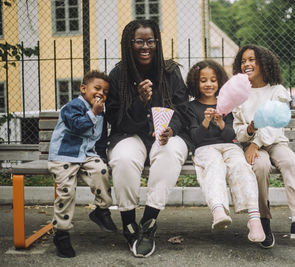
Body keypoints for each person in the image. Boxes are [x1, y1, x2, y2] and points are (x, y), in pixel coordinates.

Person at [104, 20, 190, 258]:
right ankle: (129, 223)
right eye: (139, 41)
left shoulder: (170, 72)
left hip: (165, 135)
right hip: (130, 133)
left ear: (157, 43)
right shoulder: (119, 74)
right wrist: (139, 102)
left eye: (150, 41)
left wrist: (171, 129)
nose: (145, 46)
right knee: (123, 159)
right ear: (129, 44)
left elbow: (183, 110)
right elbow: (115, 118)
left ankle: (149, 221)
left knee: (170, 152)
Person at [232, 45, 295, 249]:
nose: (247, 64)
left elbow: (274, 123)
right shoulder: (239, 94)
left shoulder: (277, 90)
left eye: (252, 59)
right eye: (243, 61)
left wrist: (256, 142)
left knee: (288, 160)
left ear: (263, 62)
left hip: (274, 141)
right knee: (260, 167)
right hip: (252, 145)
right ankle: (263, 219)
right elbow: (237, 129)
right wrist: (250, 132)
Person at [185, 60, 265, 243]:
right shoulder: (192, 108)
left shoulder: (228, 105)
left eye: (213, 80)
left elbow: (233, 136)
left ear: (220, 82)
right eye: (203, 80)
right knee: (215, 165)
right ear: (195, 83)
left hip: (230, 146)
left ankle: (254, 219)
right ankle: (218, 210)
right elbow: (195, 138)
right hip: (205, 149)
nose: (208, 84)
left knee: (240, 165)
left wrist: (221, 123)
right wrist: (205, 122)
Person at [48, 70, 117, 258]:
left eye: (105, 91)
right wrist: (93, 113)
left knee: (101, 170)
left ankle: (101, 210)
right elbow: (77, 125)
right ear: (83, 88)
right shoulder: (73, 106)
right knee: (66, 192)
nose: (101, 93)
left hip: (86, 155)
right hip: (64, 156)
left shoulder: (100, 111)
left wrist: (101, 156)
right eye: (97, 88)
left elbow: (100, 137)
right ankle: (61, 234)